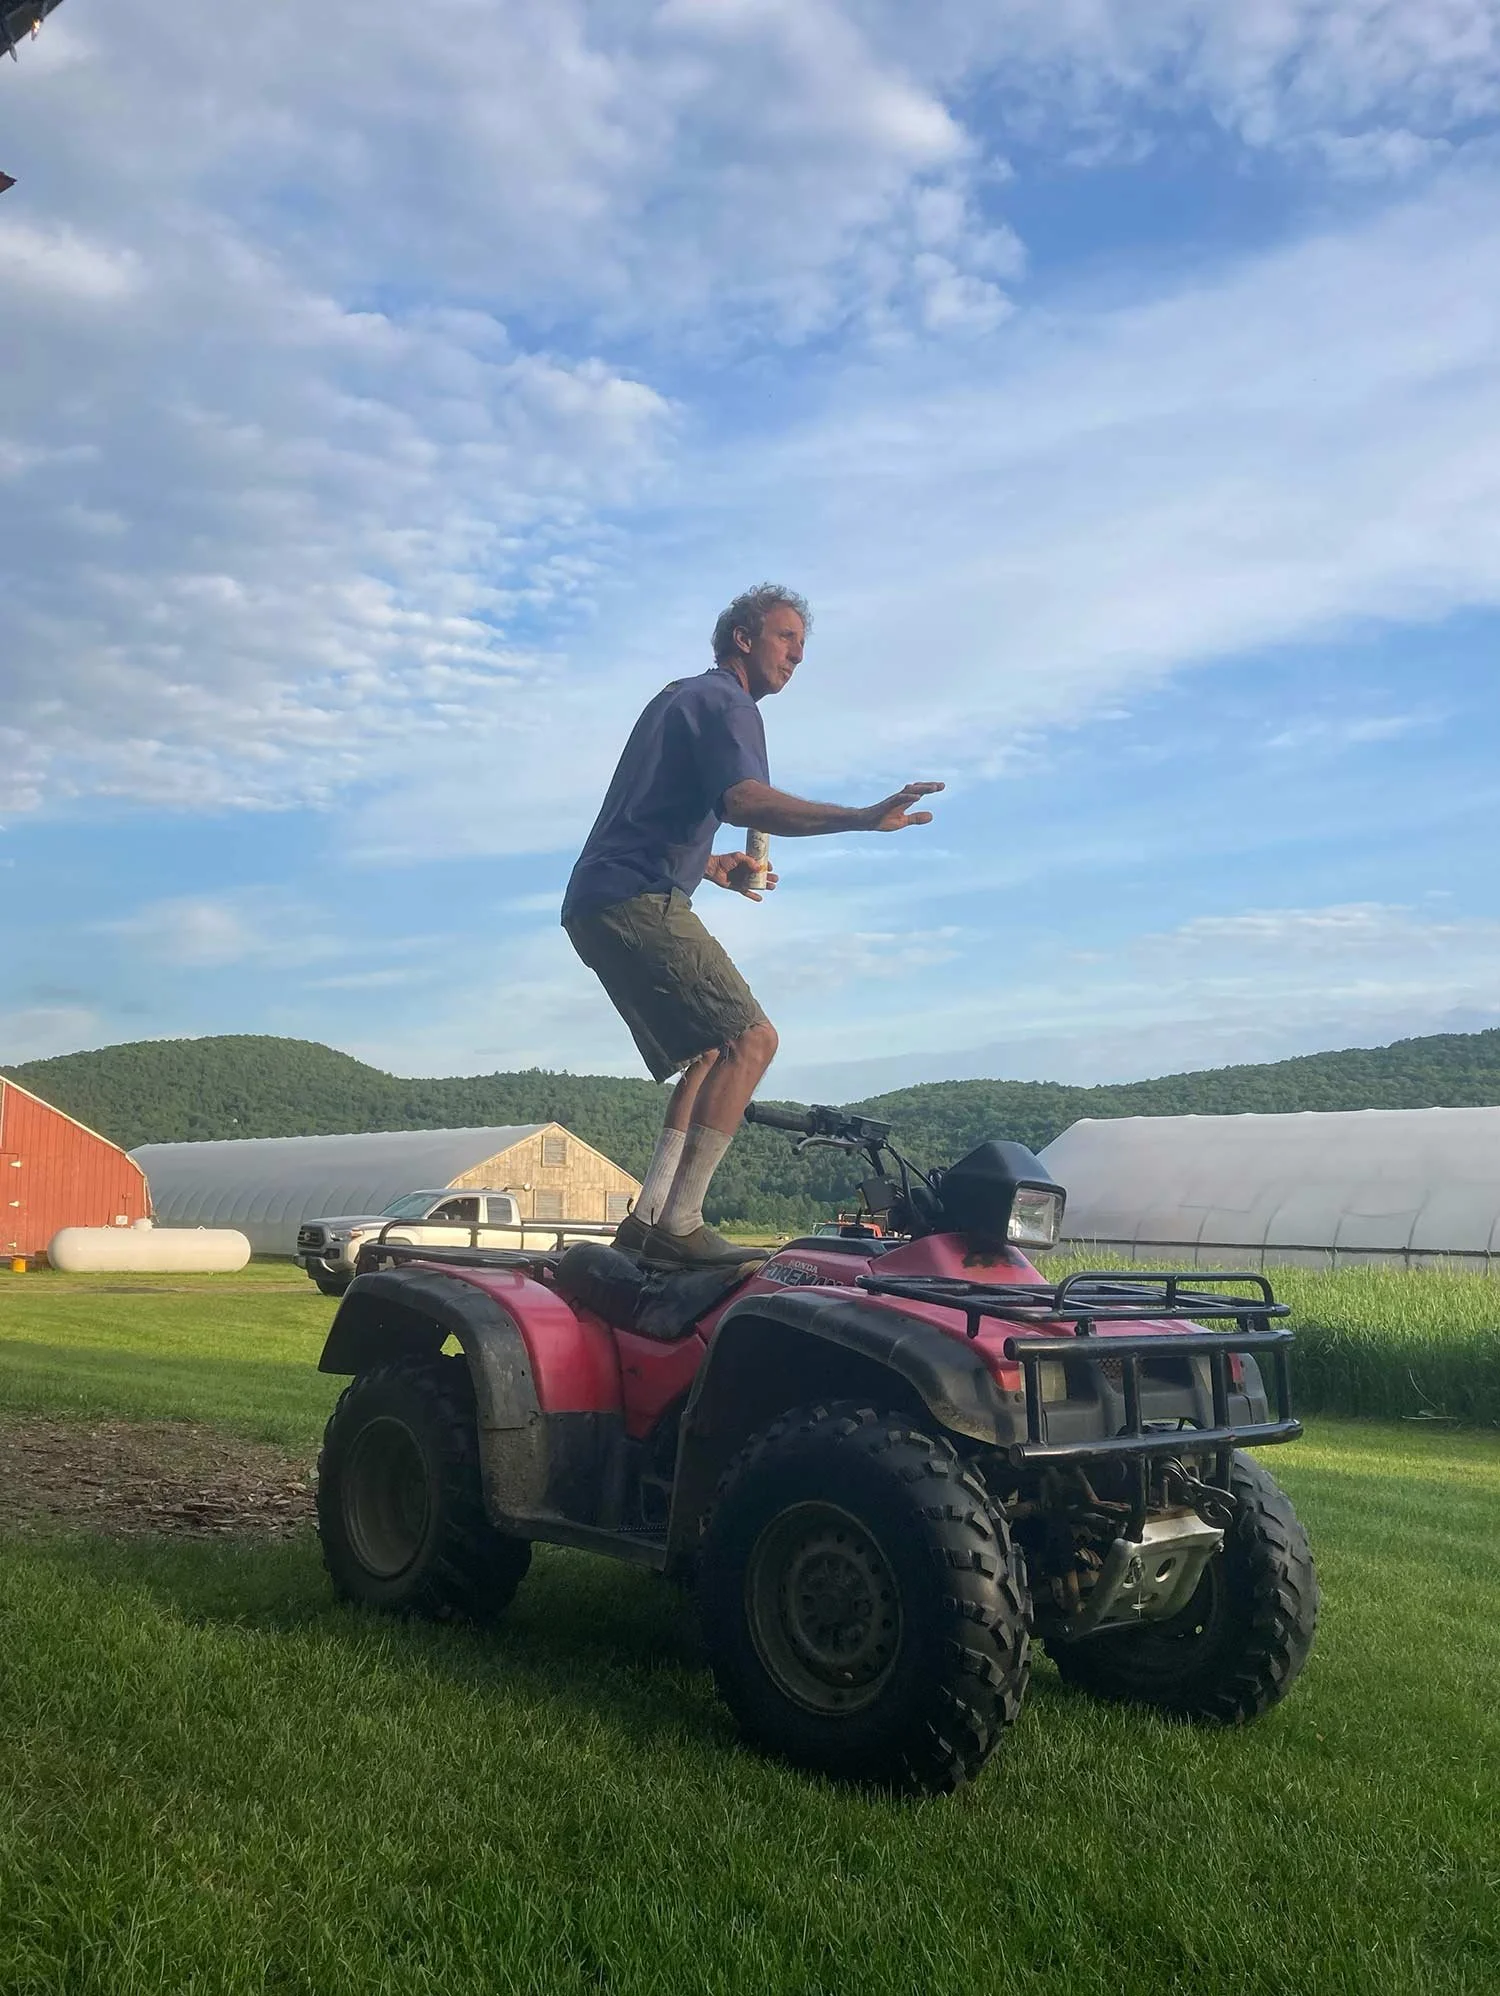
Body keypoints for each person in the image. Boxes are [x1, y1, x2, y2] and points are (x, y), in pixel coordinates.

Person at [562, 584, 942, 1268]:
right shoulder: (728, 703)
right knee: (752, 1040)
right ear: (742, 636)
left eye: (802, 646)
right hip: (638, 897)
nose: (796, 656)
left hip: (599, 896)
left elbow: (645, 813)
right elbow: (746, 799)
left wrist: (708, 863)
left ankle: (648, 1216)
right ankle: (679, 1222)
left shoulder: (676, 698)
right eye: (785, 638)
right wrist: (863, 816)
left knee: (709, 1055)